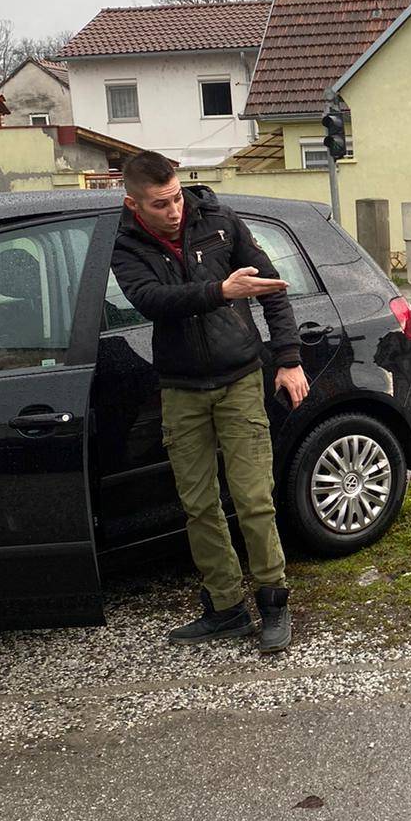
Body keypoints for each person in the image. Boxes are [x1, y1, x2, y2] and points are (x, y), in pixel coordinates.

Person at [111, 151, 309, 651]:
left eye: (177, 196)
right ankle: (225, 608)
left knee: (252, 499)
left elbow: (272, 290)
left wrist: (289, 358)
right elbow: (152, 300)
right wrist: (221, 290)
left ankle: (273, 603)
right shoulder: (125, 243)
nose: (174, 209)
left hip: (240, 377)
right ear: (135, 204)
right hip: (180, 388)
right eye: (161, 204)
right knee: (198, 506)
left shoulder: (219, 221)